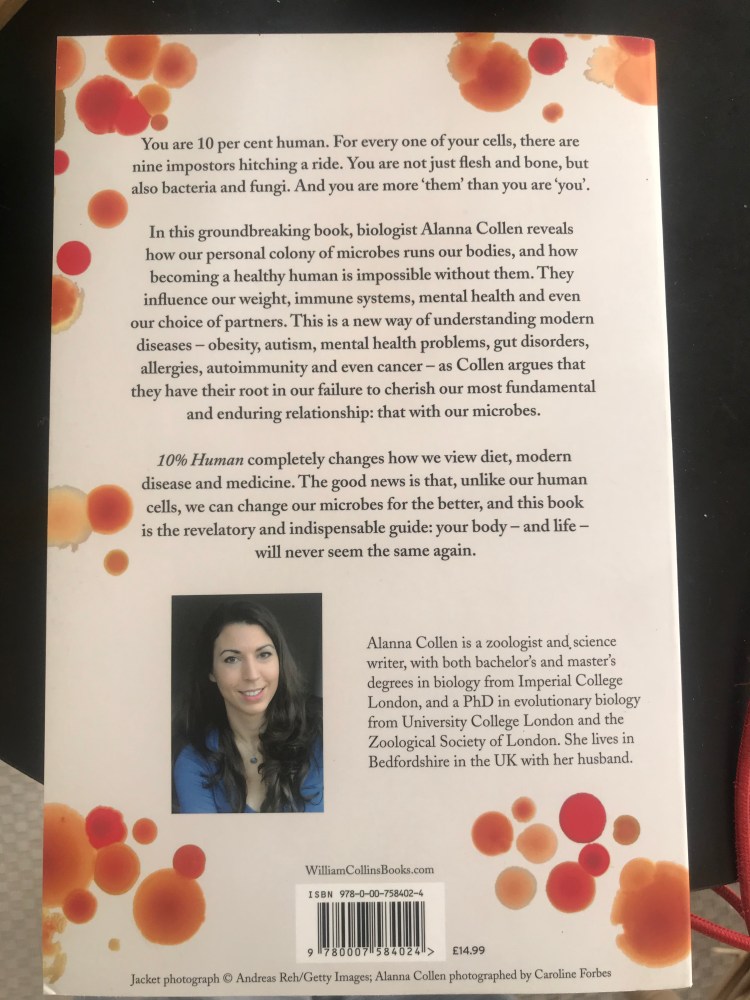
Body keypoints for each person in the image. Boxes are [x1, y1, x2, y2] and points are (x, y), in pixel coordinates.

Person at [174, 600, 323, 813]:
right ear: (211, 672)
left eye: (264, 654)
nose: (252, 675)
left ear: (279, 661)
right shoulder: (194, 762)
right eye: (232, 659)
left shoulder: (319, 736)